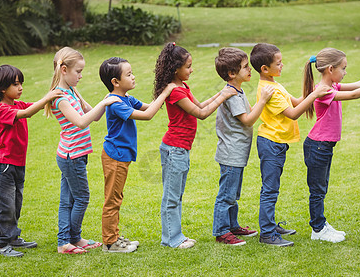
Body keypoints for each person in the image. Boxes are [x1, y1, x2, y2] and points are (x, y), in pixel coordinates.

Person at [302, 48, 360, 243]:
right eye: (343, 68)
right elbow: (354, 95)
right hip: (318, 146)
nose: (345, 72)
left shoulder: (333, 86)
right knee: (318, 190)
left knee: (322, 188)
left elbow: (357, 84)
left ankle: (321, 224)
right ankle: (318, 229)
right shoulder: (324, 90)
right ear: (330, 69)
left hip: (323, 146)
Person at [153, 42, 237, 249]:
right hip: (174, 149)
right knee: (171, 198)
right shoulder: (175, 92)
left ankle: (176, 235)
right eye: (188, 66)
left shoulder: (182, 87)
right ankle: (171, 239)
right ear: (175, 69)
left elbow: (200, 105)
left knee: (177, 196)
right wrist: (224, 96)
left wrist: (222, 92)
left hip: (180, 150)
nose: (192, 70)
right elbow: (201, 114)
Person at [249, 43, 330, 247]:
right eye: (279, 63)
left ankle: (270, 225)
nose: (282, 65)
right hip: (271, 143)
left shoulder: (275, 84)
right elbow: (294, 113)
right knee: (270, 190)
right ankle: (267, 233)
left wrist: (314, 90)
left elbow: (295, 102)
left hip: (277, 143)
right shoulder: (269, 89)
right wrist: (313, 96)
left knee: (272, 188)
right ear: (264, 69)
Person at [45, 47, 121, 254]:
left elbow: (94, 115)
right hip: (71, 156)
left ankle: (71, 239)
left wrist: (107, 100)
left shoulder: (72, 91)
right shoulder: (60, 98)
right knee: (81, 197)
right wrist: (105, 102)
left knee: (68, 199)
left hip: (77, 154)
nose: (80, 76)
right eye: (78, 71)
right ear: (63, 69)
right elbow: (80, 122)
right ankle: (66, 241)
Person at [99, 57, 176, 253]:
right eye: (129, 74)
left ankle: (114, 237)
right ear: (115, 82)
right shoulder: (115, 103)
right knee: (112, 199)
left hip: (122, 155)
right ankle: (110, 242)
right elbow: (148, 115)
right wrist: (166, 91)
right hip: (115, 156)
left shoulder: (126, 98)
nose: (133, 77)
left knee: (117, 196)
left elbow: (151, 107)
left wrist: (164, 91)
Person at [0, 65, 63, 257]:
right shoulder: (2, 109)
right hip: (3, 166)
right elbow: (29, 113)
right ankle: (1, 244)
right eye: (15, 84)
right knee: (4, 205)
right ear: (2, 88)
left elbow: (35, 106)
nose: (20, 87)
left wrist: (56, 92)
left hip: (17, 164)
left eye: (21, 83)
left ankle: (12, 237)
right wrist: (48, 97)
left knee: (15, 203)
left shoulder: (17, 104)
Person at [212, 47, 274, 246]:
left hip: (237, 152)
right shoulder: (232, 95)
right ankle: (221, 231)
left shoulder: (237, 91)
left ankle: (232, 225)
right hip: (231, 153)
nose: (249, 70)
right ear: (232, 74)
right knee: (227, 195)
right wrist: (263, 101)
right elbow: (247, 120)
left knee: (233, 193)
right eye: (245, 67)